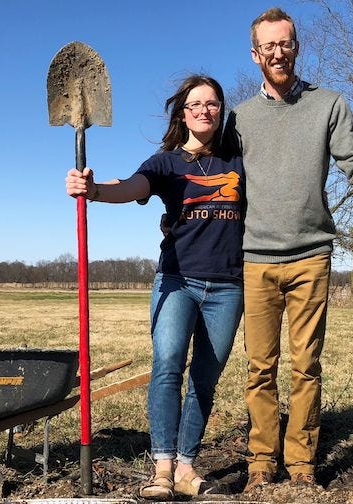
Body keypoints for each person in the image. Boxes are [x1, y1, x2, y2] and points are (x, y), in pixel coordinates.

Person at [223, 7, 353, 492]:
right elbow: (213, 175)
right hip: (256, 259)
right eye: (268, 46)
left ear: (296, 47)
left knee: (306, 366)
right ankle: (260, 461)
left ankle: (302, 463)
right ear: (255, 55)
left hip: (311, 256)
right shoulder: (239, 119)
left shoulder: (329, 105)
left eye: (285, 43)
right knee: (259, 368)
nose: (278, 52)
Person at [65, 75, 243, 500]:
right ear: (183, 114)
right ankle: (162, 467)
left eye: (213, 103)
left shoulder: (237, 160)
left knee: (205, 376)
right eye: (195, 104)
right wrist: (94, 190)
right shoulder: (166, 162)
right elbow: (131, 187)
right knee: (167, 367)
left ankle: (186, 466)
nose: (204, 110)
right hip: (177, 281)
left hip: (228, 286)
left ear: (221, 112)